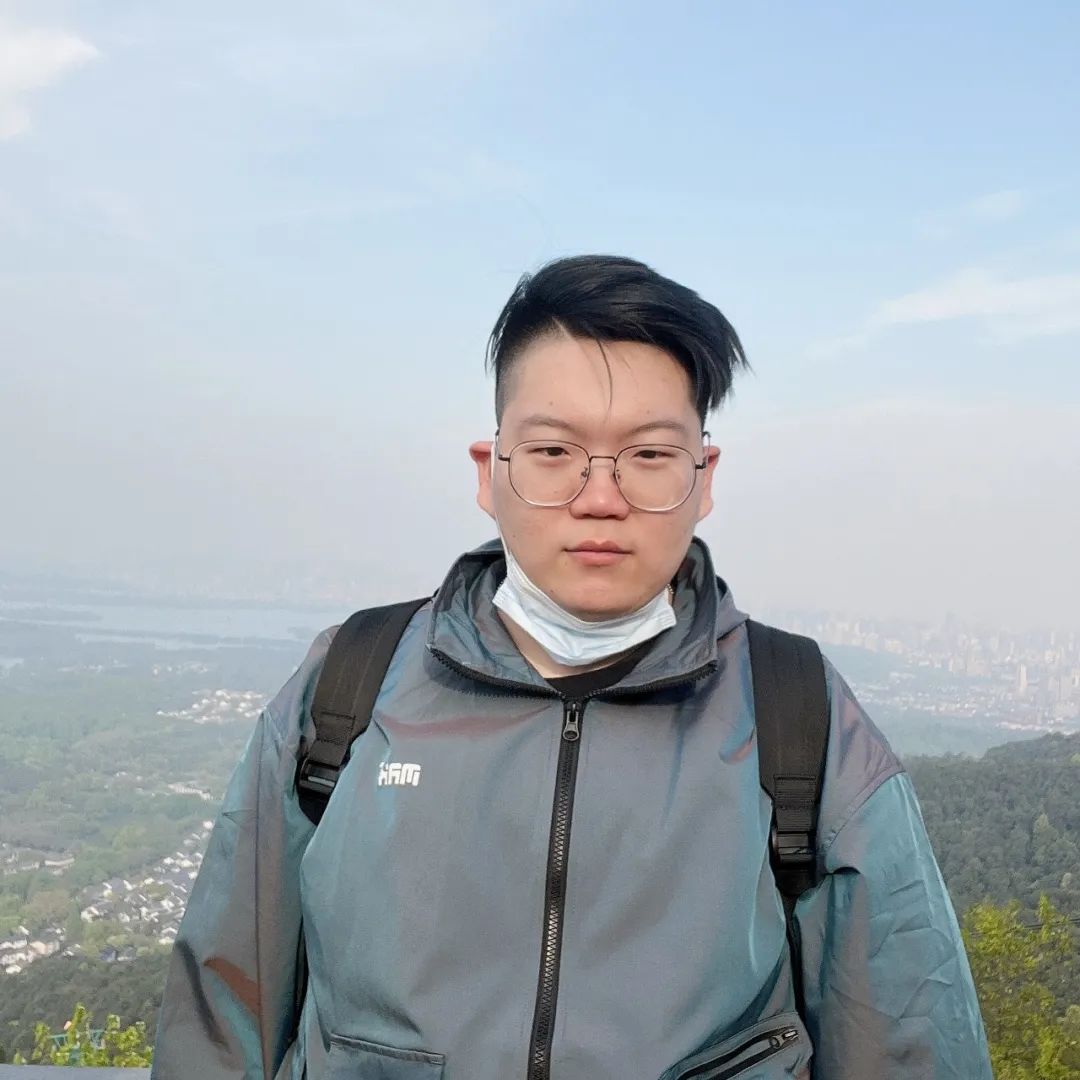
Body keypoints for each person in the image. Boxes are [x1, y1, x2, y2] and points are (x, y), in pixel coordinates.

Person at [152, 255, 992, 1079]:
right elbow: (222, 1018)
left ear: (704, 478)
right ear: (490, 472)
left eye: (650, 456)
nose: (599, 497)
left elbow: (906, 1037)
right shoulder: (349, 687)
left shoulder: (797, 712)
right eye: (554, 451)